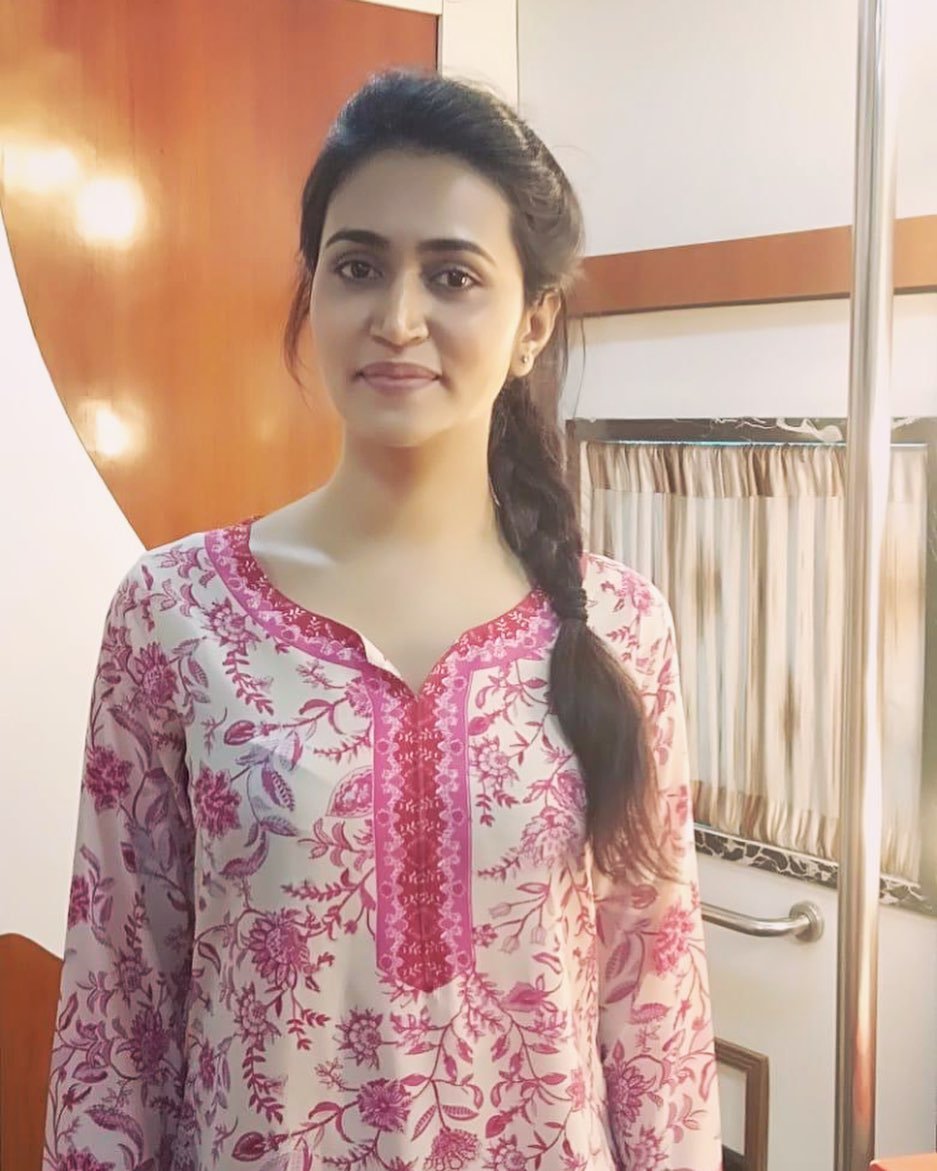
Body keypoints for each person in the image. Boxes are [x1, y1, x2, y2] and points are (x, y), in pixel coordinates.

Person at [44, 69, 721, 1171]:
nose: (397, 319)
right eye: (358, 266)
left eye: (452, 275)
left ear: (532, 323)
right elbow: (114, 1022)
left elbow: (656, 1012)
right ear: (313, 291)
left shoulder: (617, 623)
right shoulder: (176, 614)